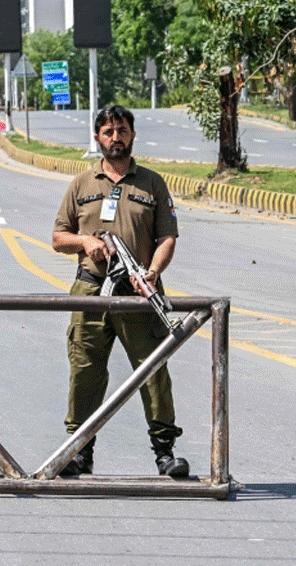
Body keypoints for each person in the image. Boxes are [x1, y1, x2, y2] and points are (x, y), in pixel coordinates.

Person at [51, 105, 189, 478]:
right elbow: (58, 238)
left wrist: (152, 273)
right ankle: (79, 450)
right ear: (98, 137)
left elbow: (167, 237)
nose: (116, 137)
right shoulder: (81, 184)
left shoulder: (152, 183)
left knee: (152, 369)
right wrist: (84, 242)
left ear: (133, 135)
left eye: (122, 130)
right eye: (109, 131)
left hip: (139, 292)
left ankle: (165, 452)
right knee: (85, 370)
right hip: (92, 287)